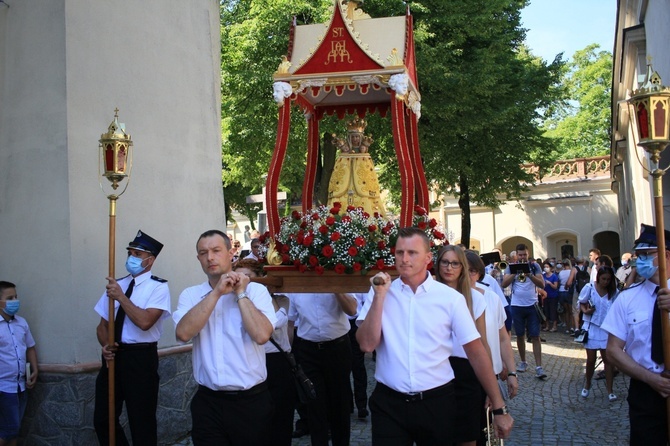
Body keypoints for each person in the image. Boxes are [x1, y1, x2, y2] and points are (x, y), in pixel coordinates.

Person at [356, 228, 513, 444]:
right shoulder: (381, 292)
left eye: (412, 252)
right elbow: (366, 344)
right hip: (389, 403)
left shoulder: (449, 298)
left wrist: (498, 406)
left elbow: (476, 352)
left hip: (436, 403)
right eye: (399, 252)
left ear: (428, 258)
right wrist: (380, 297)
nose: (404, 258)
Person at [174, 230, 276, 445]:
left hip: (250, 402)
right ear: (198, 258)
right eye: (203, 253)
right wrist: (216, 293)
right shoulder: (190, 295)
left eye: (216, 250)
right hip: (208, 402)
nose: (210, 257)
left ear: (231, 253)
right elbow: (183, 333)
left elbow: (261, 335)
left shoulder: (256, 291)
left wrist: (241, 293)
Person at [93, 230, 171, 446]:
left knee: (141, 422)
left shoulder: (158, 287)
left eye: (137, 254)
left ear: (150, 259)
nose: (132, 258)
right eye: (130, 253)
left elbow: (145, 322)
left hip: (140, 359)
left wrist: (121, 298)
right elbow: (102, 326)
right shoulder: (116, 285)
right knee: (103, 419)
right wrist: (105, 344)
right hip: (113, 357)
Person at [603, 224, 670, 445]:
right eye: (637, 255)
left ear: (665, 254)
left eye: (645, 255)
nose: (639, 261)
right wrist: (651, 379)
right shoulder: (627, 298)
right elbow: (613, 350)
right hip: (645, 390)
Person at [232, 259, 295, 446]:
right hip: (249, 363)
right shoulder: (235, 302)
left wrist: (263, 291)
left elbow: (275, 323)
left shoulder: (281, 300)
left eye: (248, 277)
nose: (242, 281)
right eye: (239, 276)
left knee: (281, 417)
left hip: (277, 363)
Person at [287, 291, 358, 446]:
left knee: (340, 402)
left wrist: (335, 288)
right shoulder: (297, 286)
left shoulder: (335, 277)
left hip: (337, 347)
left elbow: (352, 310)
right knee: (314, 405)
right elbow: (290, 322)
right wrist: (287, 354)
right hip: (308, 349)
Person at [435, 245, 489, 446]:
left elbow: (483, 343)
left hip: (467, 372)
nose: (449, 268)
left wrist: (490, 386)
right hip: (436, 370)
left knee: (467, 436)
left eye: (455, 263)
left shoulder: (475, 297)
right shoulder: (428, 294)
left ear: (462, 267)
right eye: (445, 262)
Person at [501, 244, 547, 379]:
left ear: (528, 254)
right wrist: (515, 273)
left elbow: (542, 284)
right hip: (516, 305)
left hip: (532, 305)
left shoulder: (534, 266)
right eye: (520, 255)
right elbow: (504, 284)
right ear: (517, 256)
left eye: (524, 255)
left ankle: (539, 366)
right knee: (520, 335)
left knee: (535, 335)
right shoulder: (511, 267)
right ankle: (523, 361)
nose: (522, 257)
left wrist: (530, 275)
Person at [0, 281, 38, 446]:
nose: (15, 300)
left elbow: (30, 347)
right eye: (10, 298)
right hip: (3, 387)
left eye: (16, 296)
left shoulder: (22, 323)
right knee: (10, 429)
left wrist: (35, 370)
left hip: (21, 386)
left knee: (14, 431)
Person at [327, 117, 386, 216]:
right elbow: (340, 170)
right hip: (344, 186)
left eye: (357, 137)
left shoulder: (365, 156)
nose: (355, 139)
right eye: (353, 137)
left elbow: (367, 170)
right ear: (349, 138)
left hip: (362, 187)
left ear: (361, 137)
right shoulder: (343, 156)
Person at [577, 266, 618, 401]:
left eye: (608, 279)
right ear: (598, 277)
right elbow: (581, 303)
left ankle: (610, 390)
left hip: (606, 329)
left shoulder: (613, 292)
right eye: (603, 279)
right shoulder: (589, 288)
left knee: (608, 360)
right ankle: (587, 384)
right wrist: (586, 311)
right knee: (591, 359)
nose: (605, 282)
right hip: (592, 327)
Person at [558, 259, 577, 334]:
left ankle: (567, 327)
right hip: (569, 291)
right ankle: (572, 326)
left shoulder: (561, 272)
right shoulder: (571, 271)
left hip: (561, 291)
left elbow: (559, 281)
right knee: (571, 311)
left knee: (565, 311)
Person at [541, 261, 559, 332]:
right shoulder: (543, 276)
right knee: (546, 311)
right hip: (545, 296)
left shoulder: (554, 276)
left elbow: (555, 287)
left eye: (547, 267)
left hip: (553, 296)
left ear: (550, 268)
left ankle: (554, 326)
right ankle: (547, 325)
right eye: (545, 267)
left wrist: (550, 283)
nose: (546, 268)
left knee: (553, 311)